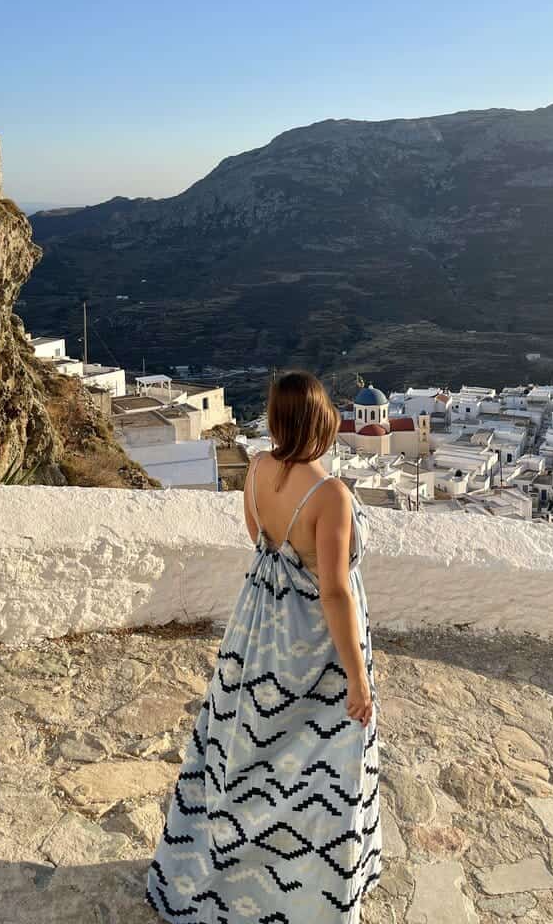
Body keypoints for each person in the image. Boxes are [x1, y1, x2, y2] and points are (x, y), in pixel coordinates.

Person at [146, 370, 381, 922]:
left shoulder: (254, 470)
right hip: (317, 646)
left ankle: (230, 865)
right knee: (323, 761)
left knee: (247, 748)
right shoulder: (332, 495)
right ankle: (308, 890)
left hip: (258, 632)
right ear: (324, 422)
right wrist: (358, 676)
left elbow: (261, 541)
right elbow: (333, 591)